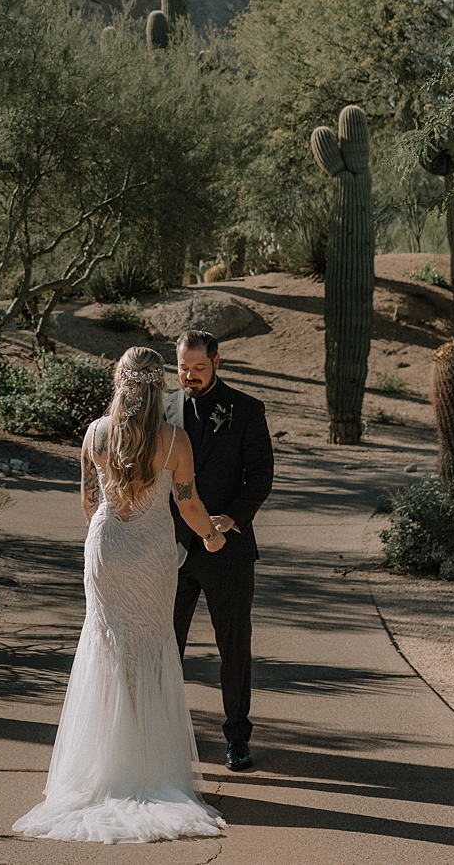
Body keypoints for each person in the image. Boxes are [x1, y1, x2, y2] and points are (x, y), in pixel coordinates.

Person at [12, 346, 227, 843]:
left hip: (107, 546)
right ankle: (148, 767)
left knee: (107, 645)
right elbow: (189, 504)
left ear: (120, 382)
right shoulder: (174, 439)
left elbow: (89, 501)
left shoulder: (95, 433)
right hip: (152, 552)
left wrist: (108, 535)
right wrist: (212, 537)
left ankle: (102, 766)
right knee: (150, 646)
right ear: (159, 387)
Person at [168, 328, 274, 771]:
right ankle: (167, 738)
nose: (189, 376)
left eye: (199, 368)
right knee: (164, 645)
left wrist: (230, 519)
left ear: (217, 363)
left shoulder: (247, 410)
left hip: (226, 549)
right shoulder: (163, 409)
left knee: (233, 645)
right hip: (170, 548)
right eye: (183, 368)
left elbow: (261, 476)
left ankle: (237, 737)